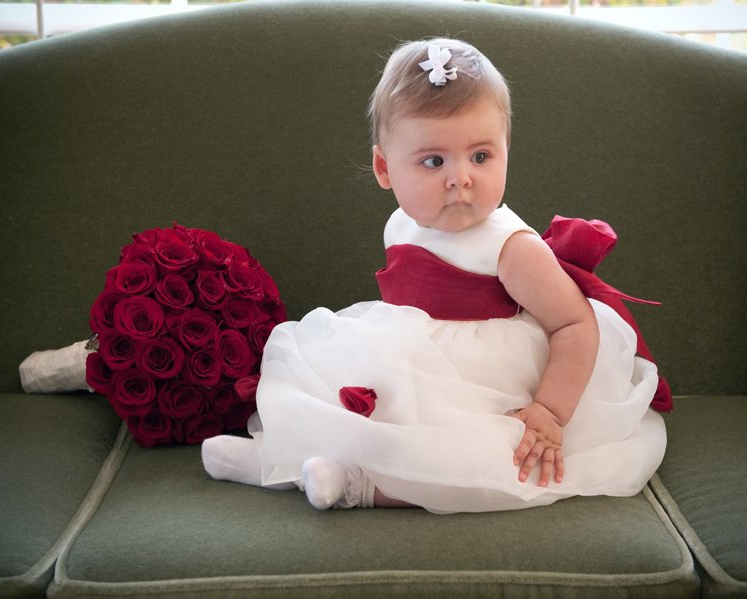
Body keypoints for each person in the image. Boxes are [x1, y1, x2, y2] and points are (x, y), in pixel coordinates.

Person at [202, 38, 668, 514]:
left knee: (468, 461)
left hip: (488, 385)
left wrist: (549, 411)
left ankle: (353, 484)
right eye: (433, 161)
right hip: (411, 353)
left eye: (481, 156)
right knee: (340, 398)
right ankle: (277, 459)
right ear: (385, 168)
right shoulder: (402, 223)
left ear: (506, 149)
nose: (460, 178)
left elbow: (574, 323)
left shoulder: (512, 248)